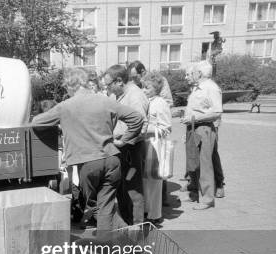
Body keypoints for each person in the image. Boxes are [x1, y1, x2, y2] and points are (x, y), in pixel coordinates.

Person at [31, 67, 144, 231]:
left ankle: (110, 245)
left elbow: (36, 122)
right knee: (105, 206)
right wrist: (124, 140)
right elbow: (136, 118)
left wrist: (63, 126)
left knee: (97, 207)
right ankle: (128, 234)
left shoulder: (64, 107)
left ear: (70, 85)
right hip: (112, 159)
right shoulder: (105, 100)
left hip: (88, 164)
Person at [103, 65, 148, 226]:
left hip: (131, 148)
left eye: (108, 85)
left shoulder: (135, 96)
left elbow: (141, 125)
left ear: (119, 81)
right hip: (121, 147)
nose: (107, 88)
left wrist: (124, 141)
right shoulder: (119, 95)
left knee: (133, 188)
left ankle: (136, 227)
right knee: (122, 187)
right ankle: (127, 224)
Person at [180, 60, 223, 210]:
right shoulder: (198, 87)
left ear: (199, 73)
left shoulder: (211, 88)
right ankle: (195, 194)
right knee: (194, 162)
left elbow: (217, 112)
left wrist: (195, 118)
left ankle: (207, 199)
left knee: (205, 164)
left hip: (203, 128)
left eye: (193, 72)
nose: (191, 74)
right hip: (193, 127)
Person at [141, 72, 172, 224]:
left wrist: (148, 129)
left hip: (155, 144)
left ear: (156, 88)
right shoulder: (146, 101)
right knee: (146, 180)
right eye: (143, 87)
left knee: (154, 181)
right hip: (145, 144)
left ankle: (155, 214)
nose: (144, 90)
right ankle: (148, 210)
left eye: (147, 87)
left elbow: (166, 128)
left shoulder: (160, 103)